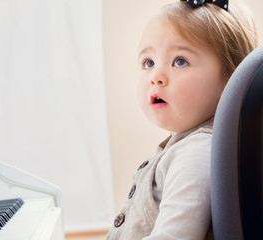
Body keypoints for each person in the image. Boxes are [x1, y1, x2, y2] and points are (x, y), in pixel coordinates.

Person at [105, 0, 258, 239]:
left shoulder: (196, 154)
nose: (156, 77)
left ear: (231, 78)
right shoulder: (187, 145)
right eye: (148, 62)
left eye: (180, 61)